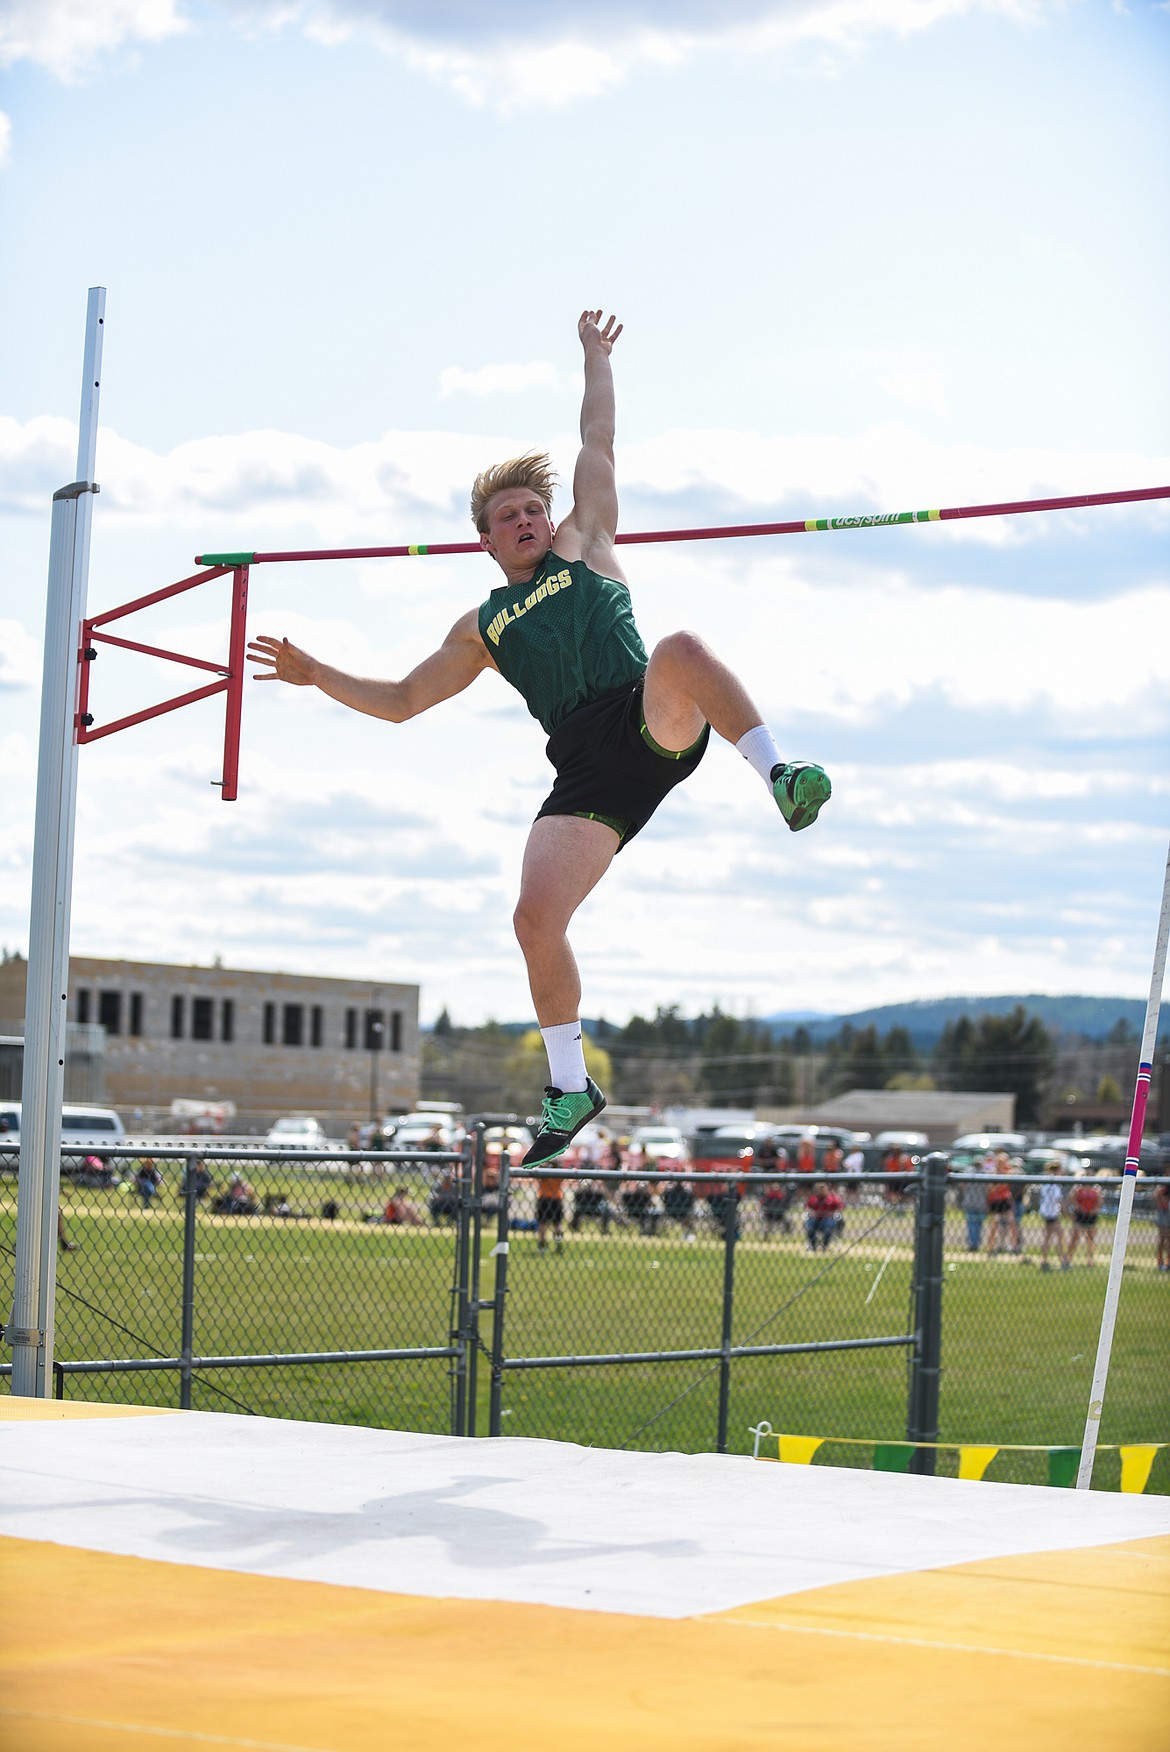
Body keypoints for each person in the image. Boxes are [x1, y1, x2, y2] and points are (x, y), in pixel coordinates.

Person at [248, 311, 831, 1172]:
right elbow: (405, 701)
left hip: (648, 714)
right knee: (533, 918)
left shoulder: (587, 543)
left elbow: (598, 437)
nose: (525, 520)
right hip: (587, 767)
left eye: (532, 508)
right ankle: (569, 1085)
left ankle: (782, 773)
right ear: (484, 540)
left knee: (680, 649)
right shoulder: (480, 626)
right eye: (507, 516)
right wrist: (317, 674)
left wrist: (595, 358)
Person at [1036, 1160, 1067, 1271]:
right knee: (1058, 1235)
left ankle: (1046, 1260)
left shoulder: (1047, 1182)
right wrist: (1066, 1213)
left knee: (1049, 1237)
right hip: (1052, 1213)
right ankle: (1062, 1260)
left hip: (1047, 1212)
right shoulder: (1053, 1183)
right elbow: (1059, 1200)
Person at [1065, 1176, 1103, 1266]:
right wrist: (1078, 1208)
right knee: (1075, 1237)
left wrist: (1095, 1209)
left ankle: (1090, 1260)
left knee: (1090, 1239)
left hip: (1091, 1216)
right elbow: (1071, 1199)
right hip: (1080, 1215)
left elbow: (1100, 1202)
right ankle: (1068, 1258)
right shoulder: (1078, 1189)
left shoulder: (1096, 1190)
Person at [805, 1181, 844, 1252]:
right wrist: (812, 1212)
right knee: (810, 1226)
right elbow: (807, 1207)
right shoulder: (814, 1198)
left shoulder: (832, 1198)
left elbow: (840, 1207)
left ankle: (825, 1246)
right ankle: (813, 1247)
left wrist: (832, 1213)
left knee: (828, 1227)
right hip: (816, 1219)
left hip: (827, 1219)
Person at [535, 1172, 565, 1252]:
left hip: (544, 1199)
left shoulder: (544, 1171)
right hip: (556, 1199)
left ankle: (542, 1245)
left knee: (543, 1224)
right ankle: (558, 1243)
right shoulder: (559, 1172)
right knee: (557, 1224)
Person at [1154, 1179, 1170, 1273]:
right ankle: (1160, 1261)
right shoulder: (1163, 1183)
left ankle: (1168, 1262)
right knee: (1163, 1238)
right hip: (1164, 1213)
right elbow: (1157, 1196)